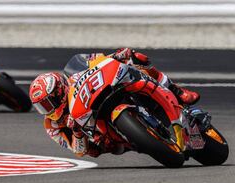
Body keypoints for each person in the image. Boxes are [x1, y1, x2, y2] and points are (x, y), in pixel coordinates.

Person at [29, 48, 200, 157]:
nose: (46, 110)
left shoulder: (74, 72)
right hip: (102, 135)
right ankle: (142, 137)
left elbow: (100, 60)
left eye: (47, 103)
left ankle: (177, 92)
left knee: (136, 59)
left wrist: (118, 56)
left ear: (59, 91)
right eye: (41, 107)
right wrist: (77, 133)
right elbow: (78, 151)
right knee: (100, 149)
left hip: (107, 90)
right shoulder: (52, 125)